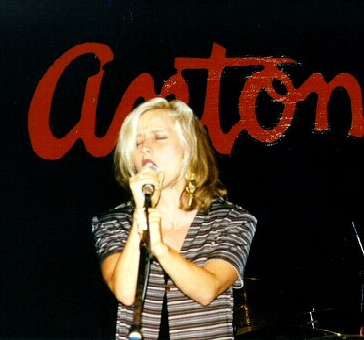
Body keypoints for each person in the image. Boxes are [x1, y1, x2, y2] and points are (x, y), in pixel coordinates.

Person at [92, 97, 257, 340]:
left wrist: (160, 248)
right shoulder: (114, 222)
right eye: (137, 142)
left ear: (188, 149)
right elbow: (126, 292)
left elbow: (207, 289)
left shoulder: (232, 219)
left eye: (159, 137)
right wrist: (141, 219)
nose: (145, 148)